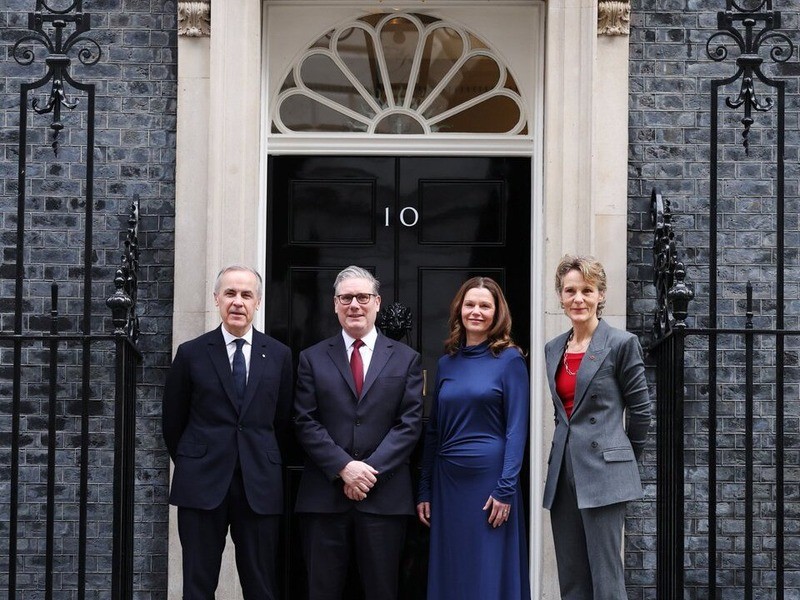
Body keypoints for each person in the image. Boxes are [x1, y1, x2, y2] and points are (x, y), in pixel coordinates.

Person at [162, 265, 293, 600]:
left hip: (259, 485)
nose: (238, 301)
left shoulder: (279, 355)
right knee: (198, 585)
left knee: (261, 586)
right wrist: (197, 459)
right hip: (201, 484)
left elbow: (283, 421)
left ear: (258, 302)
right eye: (230, 293)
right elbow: (173, 422)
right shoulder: (190, 353)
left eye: (246, 295)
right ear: (216, 298)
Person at [293, 265, 424, 600]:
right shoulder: (311, 358)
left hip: (384, 499)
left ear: (377, 302)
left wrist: (367, 472)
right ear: (335, 304)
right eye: (346, 298)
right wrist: (344, 467)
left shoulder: (406, 359)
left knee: (382, 591)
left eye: (363, 297)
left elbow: (409, 424)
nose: (354, 305)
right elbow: (305, 420)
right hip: (324, 499)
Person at [543, 255, 651, 599]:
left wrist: (622, 457)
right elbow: (562, 415)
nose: (578, 299)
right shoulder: (552, 349)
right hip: (564, 472)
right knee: (572, 577)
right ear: (561, 296)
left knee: (606, 577)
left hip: (604, 472)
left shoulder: (620, 344)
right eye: (570, 291)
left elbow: (641, 411)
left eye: (587, 290)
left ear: (600, 295)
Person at [416, 276, 531, 600]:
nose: (476, 311)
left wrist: (505, 489)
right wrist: (425, 488)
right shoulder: (446, 363)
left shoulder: (510, 360)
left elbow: (516, 429)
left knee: (487, 571)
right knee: (453, 568)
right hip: (448, 484)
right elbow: (434, 430)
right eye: (470, 304)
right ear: (459, 310)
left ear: (497, 313)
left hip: (490, 485)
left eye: (484, 305)